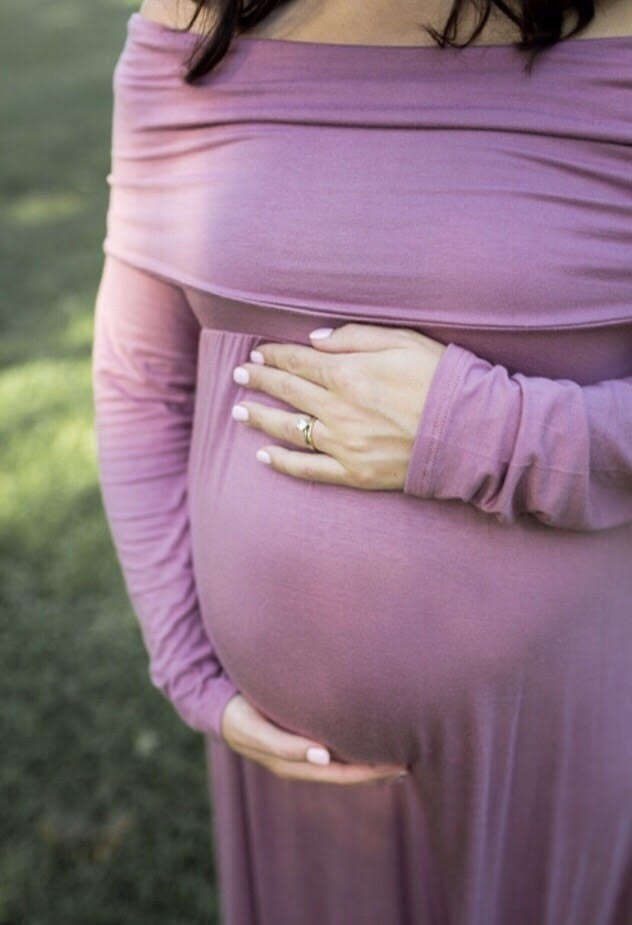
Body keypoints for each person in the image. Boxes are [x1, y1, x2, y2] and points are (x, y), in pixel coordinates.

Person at [91, 0, 632, 920]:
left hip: (565, 746)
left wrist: (475, 430)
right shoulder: (193, 19)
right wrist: (187, 663)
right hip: (295, 762)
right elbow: (140, 378)